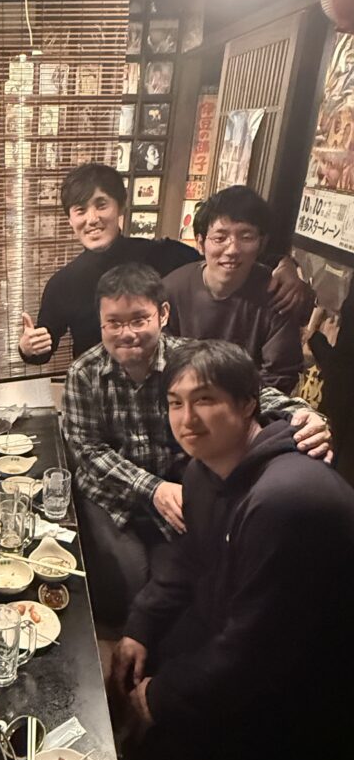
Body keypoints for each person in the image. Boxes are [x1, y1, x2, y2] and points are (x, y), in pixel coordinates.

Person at [110, 341, 354, 760]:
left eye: (205, 400)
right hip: (244, 635)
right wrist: (140, 628)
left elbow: (256, 654)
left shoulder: (287, 499)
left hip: (305, 695)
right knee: (133, 668)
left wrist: (163, 696)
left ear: (248, 404)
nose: (186, 419)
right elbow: (187, 561)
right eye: (175, 403)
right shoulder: (204, 471)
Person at [61, 263, 330, 623]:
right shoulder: (84, 372)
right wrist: (153, 489)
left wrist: (304, 413)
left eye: (139, 320)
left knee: (198, 578)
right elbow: (88, 450)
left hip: (182, 490)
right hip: (113, 495)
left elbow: (249, 392)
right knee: (129, 580)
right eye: (114, 323)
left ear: (163, 314)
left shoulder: (188, 358)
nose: (126, 334)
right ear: (101, 322)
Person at [19, 162, 311, 365]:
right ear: (70, 219)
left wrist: (284, 264)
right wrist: (28, 347)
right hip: (96, 390)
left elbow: (222, 257)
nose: (92, 218)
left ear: (120, 206)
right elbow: (43, 347)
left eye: (101, 205)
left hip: (162, 388)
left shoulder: (161, 254)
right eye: (80, 210)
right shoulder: (63, 283)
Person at [164, 186, 305, 394]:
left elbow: (280, 376)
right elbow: (160, 362)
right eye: (220, 238)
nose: (232, 250)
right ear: (201, 243)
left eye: (246, 237)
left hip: (249, 406)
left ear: (262, 243)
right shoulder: (172, 290)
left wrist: (235, 407)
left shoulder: (277, 294)